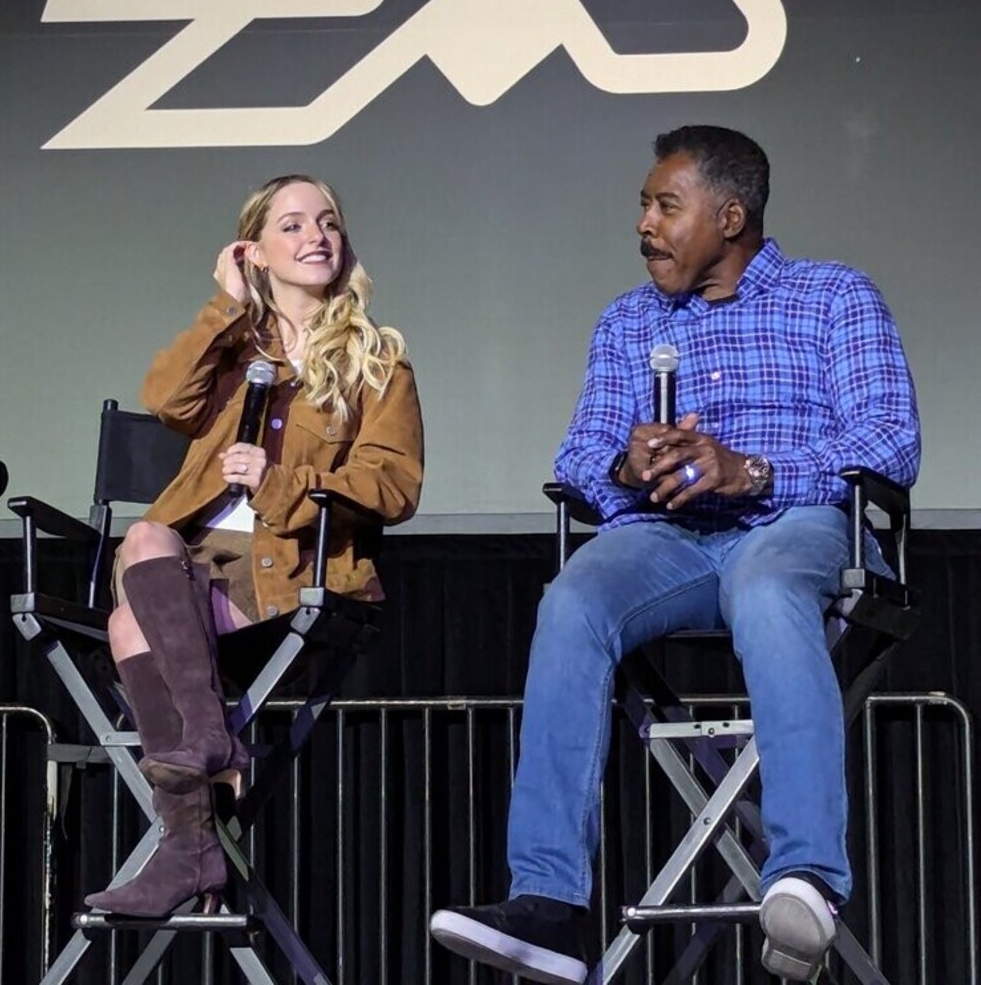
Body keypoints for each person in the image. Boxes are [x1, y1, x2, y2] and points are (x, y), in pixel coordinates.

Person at [430, 126, 920, 984]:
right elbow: (578, 459)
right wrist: (629, 465)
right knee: (573, 599)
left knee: (767, 586)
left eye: (665, 205)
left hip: (797, 524)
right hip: (670, 539)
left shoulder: (833, 295)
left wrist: (749, 468)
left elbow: (890, 440)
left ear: (729, 217)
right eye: (643, 206)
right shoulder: (628, 321)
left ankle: (805, 878)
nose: (644, 225)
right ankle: (549, 905)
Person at [85, 174, 424, 917]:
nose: (316, 237)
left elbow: (393, 486)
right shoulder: (234, 346)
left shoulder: (377, 361)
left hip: (289, 572)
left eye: (327, 222)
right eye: (292, 225)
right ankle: (213, 747)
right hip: (186, 565)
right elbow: (166, 401)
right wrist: (227, 307)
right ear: (255, 252)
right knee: (146, 537)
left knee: (127, 623)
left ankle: (189, 844)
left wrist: (280, 483)